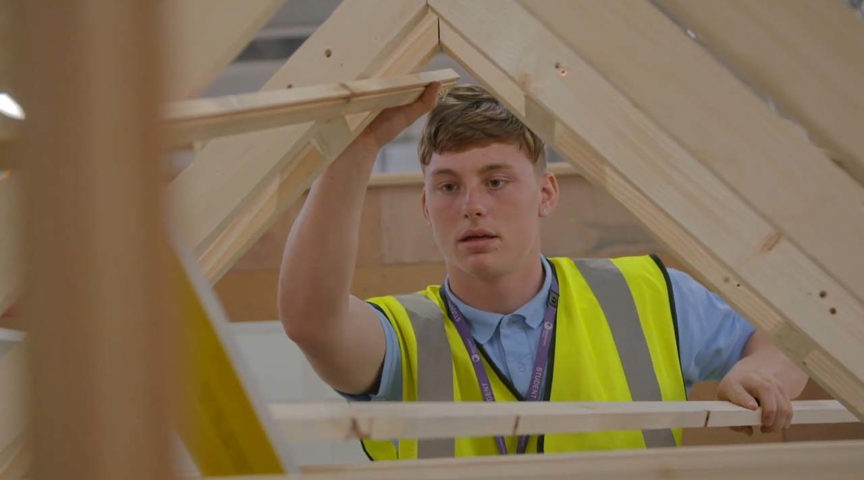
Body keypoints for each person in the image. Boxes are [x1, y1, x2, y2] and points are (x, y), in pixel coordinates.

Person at [278, 83, 807, 459]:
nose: (472, 206)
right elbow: (310, 321)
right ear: (426, 208)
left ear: (546, 194)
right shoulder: (397, 338)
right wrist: (360, 143)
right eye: (447, 186)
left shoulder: (649, 295)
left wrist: (763, 372)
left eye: (496, 180)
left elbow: (794, 339)